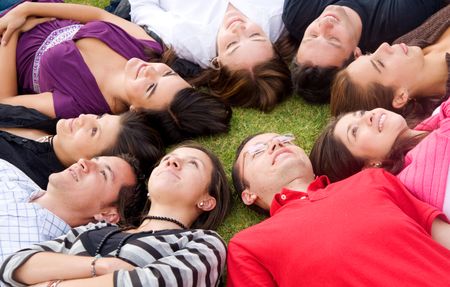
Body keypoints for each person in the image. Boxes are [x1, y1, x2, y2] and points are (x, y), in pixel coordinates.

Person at [228, 132, 450, 286]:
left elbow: (440, 234)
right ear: (249, 195)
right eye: (257, 151)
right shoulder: (248, 245)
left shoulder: (371, 179)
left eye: (284, 139)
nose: (277, 145)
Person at [1, 143, 231, 286]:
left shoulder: (203, 243)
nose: (173, 161)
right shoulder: (94, 229)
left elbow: (149, 283)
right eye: (168, 159)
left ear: (207, 201)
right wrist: (103, 266)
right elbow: (13, 266)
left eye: (193, 164)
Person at [0, 0, 229, 124]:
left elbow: (6, 100)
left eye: (151, 88)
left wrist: (13, 30)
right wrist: (28, 8)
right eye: (167, 74)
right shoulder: (148, 49)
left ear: (137, 111)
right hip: (36, 6)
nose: (150, 71)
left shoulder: (81, 106)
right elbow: (100, 16)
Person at [128, 0, 292, 112]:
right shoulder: (278, 16)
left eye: (232, 45)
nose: (239, 29)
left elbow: (142, 7)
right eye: (255, 36)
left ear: (217, 62)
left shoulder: (186, 38)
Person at [283, 0, 445, 103]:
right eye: (333, 39)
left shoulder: (297, 13)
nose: (325, 24)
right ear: (357, 55)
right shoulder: (400, 19)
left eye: (312, 35)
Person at [311, 97, 450, 216]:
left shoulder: (436, 119)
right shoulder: (420, 178)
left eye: (361, 113)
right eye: (355, 131)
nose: (369, 115)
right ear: (368, 168)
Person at [0, 154, 140, 263]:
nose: (83, 162)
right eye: (94, 159)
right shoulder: (7, 171)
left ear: (108, 214)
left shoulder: (34, 257)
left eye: (103, 173)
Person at [0, 103, 164, 189]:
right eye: (99, 117)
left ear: (95, 162)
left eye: (94, 131)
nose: (85, 117)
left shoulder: (27, 179)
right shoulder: (46, 122)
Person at [330, 5, 450, 119]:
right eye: (381, 63)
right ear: (400, 97)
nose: (384, 46)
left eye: (369, 54)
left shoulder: (407, 43)